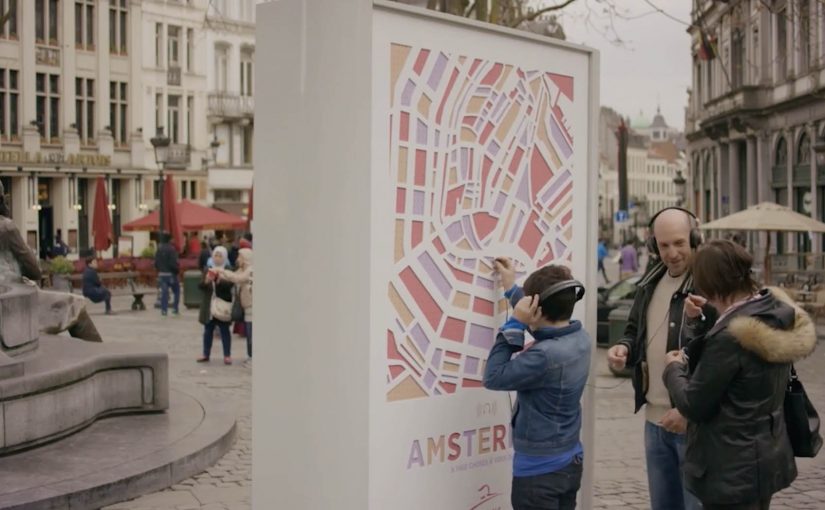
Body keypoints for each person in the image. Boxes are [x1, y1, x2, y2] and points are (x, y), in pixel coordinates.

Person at [663, 239, 815, 510]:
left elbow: (694, 404)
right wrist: (699, 322)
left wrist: (673, 368)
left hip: (731, 469)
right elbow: (728, 371)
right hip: (762, 460)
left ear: (711, 286)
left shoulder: (731, 338)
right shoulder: (772, 312)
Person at [606, 207, 704, 510]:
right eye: (664, 245)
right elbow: (635, 331)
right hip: (654, 421)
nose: (672, 253)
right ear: (653, 245)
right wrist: (624, 348)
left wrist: (690, 411)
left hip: (693, 424)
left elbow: (717, 356)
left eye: (679, 243)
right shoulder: (650, 282)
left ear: (695, 239)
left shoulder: (708, 284)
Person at [486, 258, 591, 510]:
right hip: (569, 464)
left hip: (539, 474)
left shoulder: (543, 356)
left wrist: (515, 323)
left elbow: (494, 376)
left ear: (536, 309)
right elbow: (544, 326)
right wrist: (512, 289)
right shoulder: (580, 338)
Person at [0, 182, 102, 342]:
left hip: (8, 297)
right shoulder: (6, 227)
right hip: (12, 299)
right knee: (74, 307)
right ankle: (101, 357)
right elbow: (34, 271)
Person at [197, 245, 234, 365]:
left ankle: (227, 355)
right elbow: (200, 286)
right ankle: (205, 353)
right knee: (208, 330)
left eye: (220, 256)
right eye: (216, 255)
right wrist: (207, 281)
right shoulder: (208, 268)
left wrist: (219, 280)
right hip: (209, 304)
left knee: (224, 330)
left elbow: (230, 285)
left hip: (222, 304)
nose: (217, 258)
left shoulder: (228, 269)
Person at [215, 247, 252, 363]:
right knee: (249, 333)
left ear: (246, 258)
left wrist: (222, 271)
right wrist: (219, 274)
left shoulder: (251, 270)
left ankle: (252, 357)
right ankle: (250, 355)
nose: (237, 259)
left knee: (252, 333)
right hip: (246, 306)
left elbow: (238, 278)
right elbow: (232, 276)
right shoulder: (243, 269)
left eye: (240, 257)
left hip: (252, 306)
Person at [154, 233, 180, 317]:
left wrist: (159, 269)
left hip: (162, 274)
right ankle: (175, 308)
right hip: (171, 274)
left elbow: (156, 263)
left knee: (164, 292)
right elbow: (173, 263)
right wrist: (176, 271)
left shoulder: (159, 249)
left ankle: (164, 310)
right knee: (176, 291)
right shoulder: (171, 249)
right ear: (169, 240)